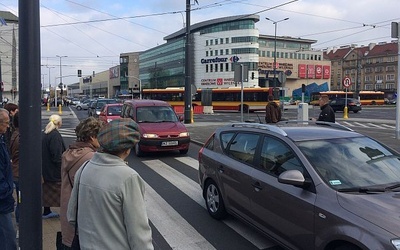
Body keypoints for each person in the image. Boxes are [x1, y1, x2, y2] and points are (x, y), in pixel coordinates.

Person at [67, 118, 154, 250]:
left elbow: (72, 216)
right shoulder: (128, 177)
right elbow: (138, 232)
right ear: (127, 149)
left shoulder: (84, 168)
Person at [59, 117, 103, 249]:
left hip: (68, 212)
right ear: (91, 137)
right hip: (83, 219)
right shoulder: (91, 158)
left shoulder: (68, 153)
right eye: (99, 135)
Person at [42, 114, 66, 219]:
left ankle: (47, 211)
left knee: (47, 191)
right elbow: (57, 155)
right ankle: (66, 212)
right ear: (59, 123)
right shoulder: (55, 135)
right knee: (62, 191)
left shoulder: (45, 133)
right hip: (54, 170)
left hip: (46, 168)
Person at [0, 108, 17, 250]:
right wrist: (7, 190)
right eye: (5, 124)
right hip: (2, 202)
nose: (7, 127)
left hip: (4, 199)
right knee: (8, 239)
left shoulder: (2, 141)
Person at [9, 111, 20, 227]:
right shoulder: (21, 137)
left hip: (17, 171)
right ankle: (20, 221)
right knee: (22, 200)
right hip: (21, 173)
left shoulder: (15, 134)